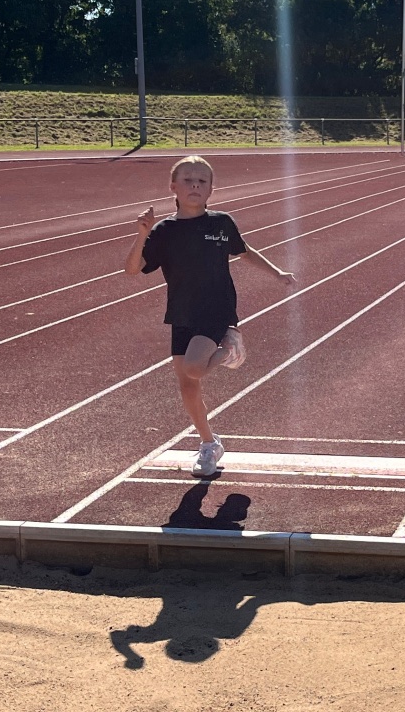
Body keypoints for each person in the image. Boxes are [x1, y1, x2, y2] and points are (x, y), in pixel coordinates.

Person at [126, 155, 294, 478]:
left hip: (216, 309)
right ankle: (209, 444)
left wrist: (276, 273)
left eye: (202, 181)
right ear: (173, 187)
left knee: (194, 368)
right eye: (188, 179)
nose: (195, 185)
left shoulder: (221, 224)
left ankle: (230, 349)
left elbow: (244, 252)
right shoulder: (163, 231)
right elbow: (132, 270)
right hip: (181, 312)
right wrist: (142, 233)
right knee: (188, 388)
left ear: (211, 190)